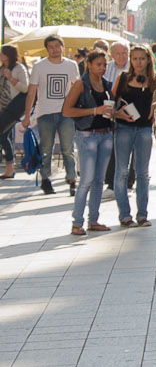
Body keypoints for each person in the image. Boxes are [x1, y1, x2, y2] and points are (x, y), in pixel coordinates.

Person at [110, 46, 156, 227]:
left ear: (148, 59)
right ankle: (125, 215)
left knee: (142, 173)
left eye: (142, 58)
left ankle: (142, 215)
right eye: (134, 59)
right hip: (124, 128)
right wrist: (118, 114)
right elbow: (111, 103)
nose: (138, 62)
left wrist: (155, 104)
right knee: (121, 172)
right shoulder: (123, 78)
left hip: (144, 129)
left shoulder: (154, 78)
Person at [63, 51, 118, 235]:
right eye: (99, 64)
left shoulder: (106, 84)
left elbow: (109, 107)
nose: (102, 68)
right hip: (87, 135)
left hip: (106, 134)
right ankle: (76, 222)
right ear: (89, 64)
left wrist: (114, 113)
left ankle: (93, 220)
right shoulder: (81, 84)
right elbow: (67, 111)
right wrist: (95, 110)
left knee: (98, 181)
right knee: (86, 180)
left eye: (104, 65)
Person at [28, 35, 81, 195]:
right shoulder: (39, 66)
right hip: (45, 112)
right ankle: (45, 179)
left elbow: (76, 87)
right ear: (46, 49)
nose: (54, 49)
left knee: (68, 148)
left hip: (66, 112)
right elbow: (32, 91)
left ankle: (72, 180)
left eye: (57, 46)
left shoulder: (71, 65)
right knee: (46, 148)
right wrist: (26, 114)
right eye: (50, 47)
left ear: (62, 46)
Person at [0, 46, 27, 179]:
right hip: (2, 108)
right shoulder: (1, 68)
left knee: (2, 135)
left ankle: (10, 167)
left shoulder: (18, 68)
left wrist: (10, 78)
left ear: (8, 55)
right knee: (6, 135)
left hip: (13, 107)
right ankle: (9, 168)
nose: (0, 55)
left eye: (2, 53)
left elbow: (25, 87)